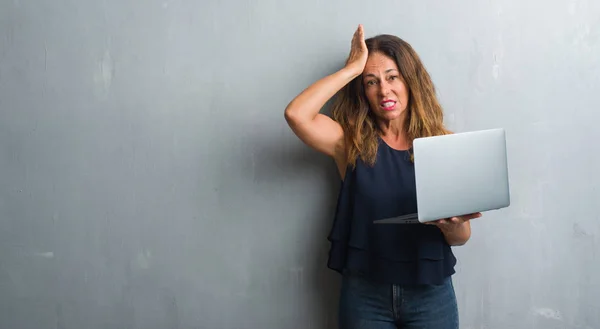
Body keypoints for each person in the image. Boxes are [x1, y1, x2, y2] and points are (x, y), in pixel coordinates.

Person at [284, 24, 482, 329]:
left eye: (392, 77)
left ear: (410, 81)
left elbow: (462, 237)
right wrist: (352, 69)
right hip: (366, 294)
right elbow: (297, 114)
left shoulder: (443, 143)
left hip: (430, 295)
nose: (383, 91)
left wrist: (452, 225)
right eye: (371, 82)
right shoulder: (349, 141)